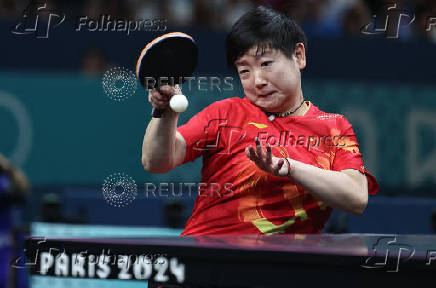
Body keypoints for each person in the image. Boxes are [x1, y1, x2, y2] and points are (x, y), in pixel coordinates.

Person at [142, 6, 378, 236]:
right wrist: (165, 114)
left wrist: (289, 168)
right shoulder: (225, 113)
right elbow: (156, 162)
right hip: (208, 257)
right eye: (244, 71)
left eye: (266, 64)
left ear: (298, 55)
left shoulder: (333, 127)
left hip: (283, 267)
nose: (257, 81)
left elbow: (356, 197)